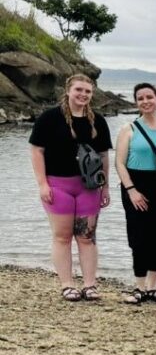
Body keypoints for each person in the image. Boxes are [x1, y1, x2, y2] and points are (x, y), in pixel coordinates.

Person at [29, 73, 112, 301]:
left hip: (89, 186)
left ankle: (90, 285)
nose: (83, 94)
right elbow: (37, 151)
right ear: (68, 91)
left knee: (87, 237)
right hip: (58, 184)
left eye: (87, 91)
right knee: (62, 236)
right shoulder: (49, 118)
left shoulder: (98, 121)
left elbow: (103, 155)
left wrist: (105, 187)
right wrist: (42, 184)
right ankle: (67, 284)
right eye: (79, 90)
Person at [114, 82, 156, 303]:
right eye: (140, 98)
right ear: (136, 103)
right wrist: (131, 190)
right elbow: (119, 163)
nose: (145, 101)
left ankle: (153, 286)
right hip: (137, 184)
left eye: (149, 97)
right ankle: (139, 287)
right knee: (139, 236)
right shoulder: (129, 129)